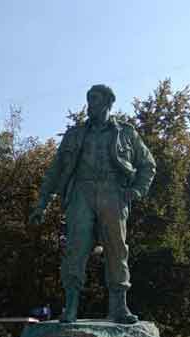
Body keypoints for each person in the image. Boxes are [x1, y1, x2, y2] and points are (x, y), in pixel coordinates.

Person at [30, 84, 156, 323]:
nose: (90, 106)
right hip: (81, 192)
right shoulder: (75, 134)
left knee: (117, 249)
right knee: (75, 248)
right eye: (89, 101)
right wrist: (41, 204)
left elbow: (148, 164)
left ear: (108, 103)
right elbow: (55, 171)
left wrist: (137, 191)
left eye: (95, 101)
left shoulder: (126, 133)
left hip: (113, 192)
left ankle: (119, 307)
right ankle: (71, 307)